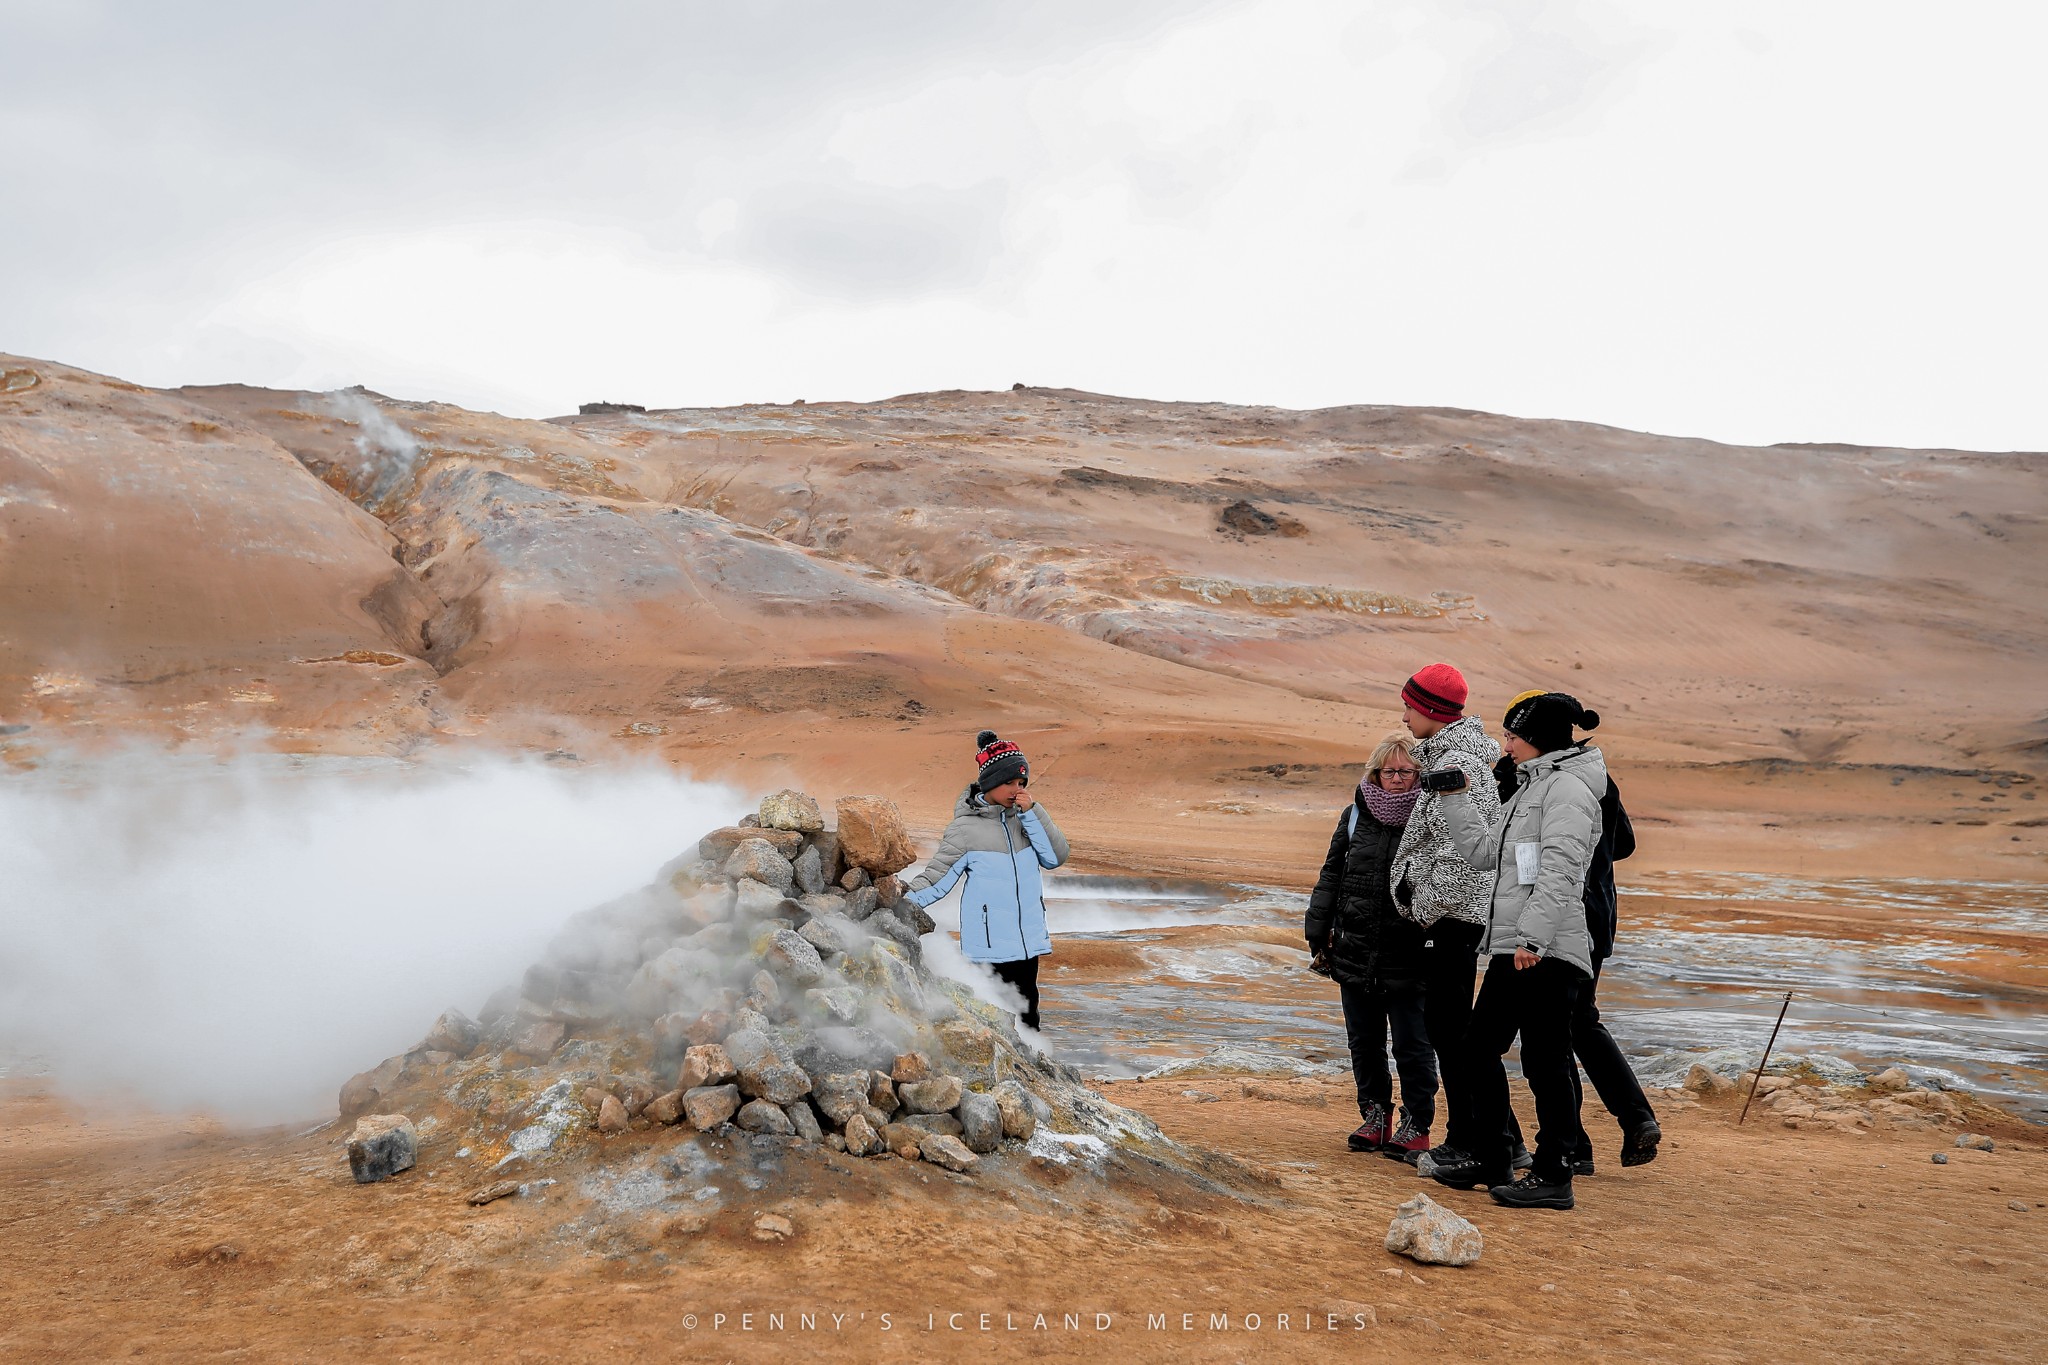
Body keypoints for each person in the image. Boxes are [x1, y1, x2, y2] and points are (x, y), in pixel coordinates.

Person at [1431, 692, 1607, 1210]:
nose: (1504, 746)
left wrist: (1533, 938)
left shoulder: (1568, 791)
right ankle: (1495, 1157)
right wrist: (1456, 797)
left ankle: (1555, 1173)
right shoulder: (1533, 788)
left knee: (1544, 1059)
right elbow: (1485, 854)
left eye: (1511, 736)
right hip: (1518, 945)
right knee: (1479, 1050)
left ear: (1536, 738)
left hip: (1543, 949)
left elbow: (1561, 870)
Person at [1492, 693, 1660, 1172]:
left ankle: (1574, 1145)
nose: (1507, 746)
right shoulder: (1595, 774)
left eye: (1513, 735)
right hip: (1594, 913)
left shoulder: (1557, 782)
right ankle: (1621, 1124)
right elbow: (1623, 842)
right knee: (1573, 1023)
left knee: (1557, 1027)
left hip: (1563, 919)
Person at [1386, 663, 1509, 1171]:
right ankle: (1493, 1141)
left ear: (1431, 710)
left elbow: (1465, 849)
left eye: (1410, 706)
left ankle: (1469, 1143)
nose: (1405, 715)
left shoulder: (1459, 762)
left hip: (1452, 916)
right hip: (1451, 914)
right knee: (1453, 1030)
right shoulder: (1454, 755)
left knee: (1453, 1031)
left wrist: (1427, 904)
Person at [1304, 733, 1435, 1155]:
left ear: (1420, 774)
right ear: (1375, 772)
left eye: (1406, 771)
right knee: (1363, 1040)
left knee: (1413, 1043)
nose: (1396, 779)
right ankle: (1375, 1116)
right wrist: (1317, 927)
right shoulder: (1355, 815)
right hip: (1356, 945)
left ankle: (1417, 1123)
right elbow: (1332, 873)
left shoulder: (1433, 816)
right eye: (1388, 770)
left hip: (1409, 949)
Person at [900, 731, 1070, 1031]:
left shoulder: (1025, 820)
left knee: (1029, 1018)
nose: (1016, 790)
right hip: (989, 949)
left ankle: (1032, 1077)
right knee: (994, 1020)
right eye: (1009, 783)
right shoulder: (965, 830)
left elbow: (1055, 857)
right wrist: (898, 903)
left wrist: (1033, 813)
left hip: (1027, 945)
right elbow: (937, 878)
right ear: (990, 782)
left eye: (1021, 783)